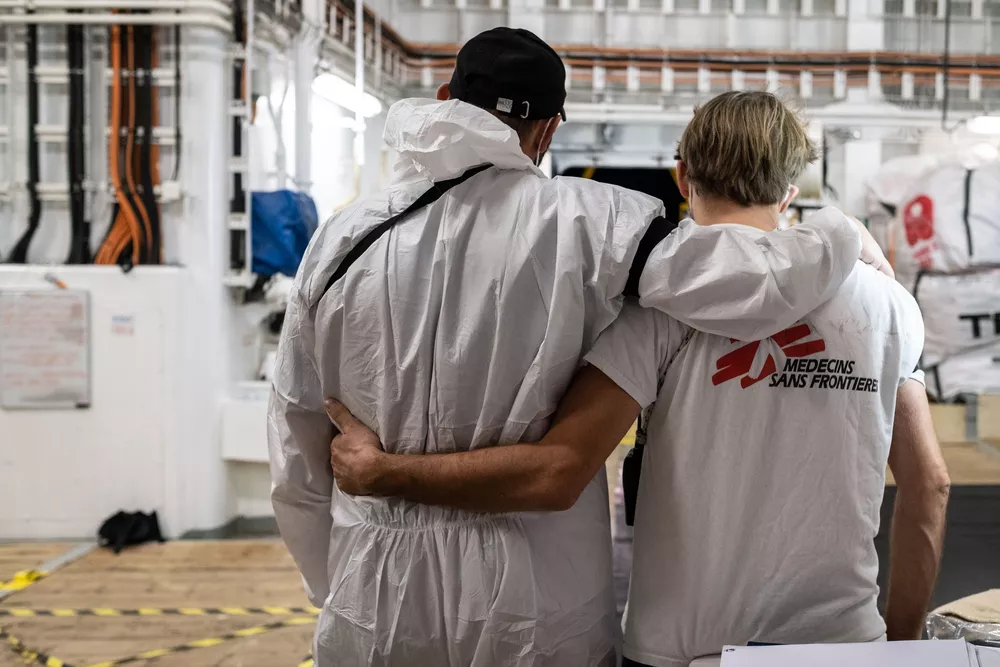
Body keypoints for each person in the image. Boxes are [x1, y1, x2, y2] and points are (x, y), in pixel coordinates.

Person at [269, 27, 888, 667]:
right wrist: (841, 237)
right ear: (549, 130)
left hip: (378, 588)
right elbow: (750, 279)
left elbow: (295, 444)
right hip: (533, 594)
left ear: (445, 96)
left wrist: (337, 577)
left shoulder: (339, 239)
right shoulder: (597, 222)